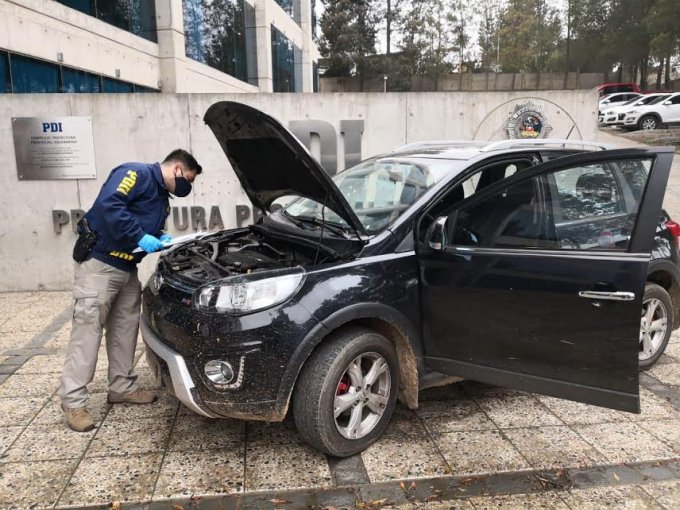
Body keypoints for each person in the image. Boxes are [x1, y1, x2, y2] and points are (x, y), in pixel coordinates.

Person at [60, 149, 202, 432]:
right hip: (100, 265)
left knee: (125, 330)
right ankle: (73, 403)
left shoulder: (162, 196)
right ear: (176, 168)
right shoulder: (134, 173)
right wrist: (140, 236)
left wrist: (159, 236)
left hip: (127, 270)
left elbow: (144, 222)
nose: (189, 185)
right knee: (87, 333)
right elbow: (109, 205)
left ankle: (121, 388)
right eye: (188, 178)